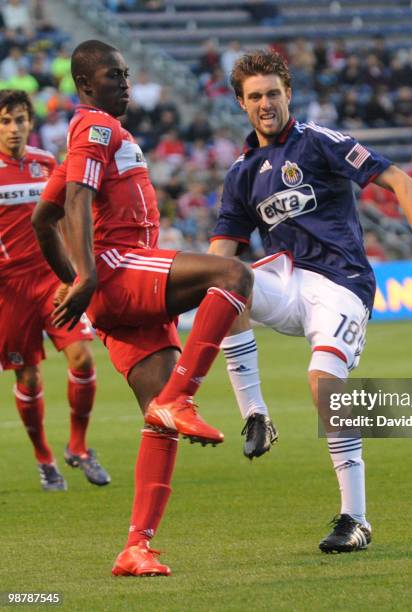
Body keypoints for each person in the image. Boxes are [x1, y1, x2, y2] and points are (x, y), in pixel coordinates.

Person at [208, 50, 412, 554]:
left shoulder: (320, 142)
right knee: (224, 280)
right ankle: (255, 414)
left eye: (273, 93)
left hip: (341, 283)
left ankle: (355, 519)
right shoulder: (241, 173)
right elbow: (219, 256)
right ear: (240, 103)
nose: (265, 103)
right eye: (255, 96)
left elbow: (401, 182)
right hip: (287, 280)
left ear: (289, 94)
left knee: (325, 385)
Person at [32, 40, 253, 577]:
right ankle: (183, 397)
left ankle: (137, 548)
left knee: (160, 423)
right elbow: (80, 202)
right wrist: (86, 277)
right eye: (114, 75)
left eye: (127, 73)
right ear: (86, 84)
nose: (126, 82)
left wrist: (73, 282)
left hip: (115, 283)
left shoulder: (91, 137)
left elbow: (44, 216)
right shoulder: (96, 126)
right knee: (234, 274)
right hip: (121, 266)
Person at [0, 89, 109, 491]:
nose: (14, 129)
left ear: (31, 122)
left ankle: (78, 447)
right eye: (6, 121)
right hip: (9, 290)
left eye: (20, 120)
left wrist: (76, 271)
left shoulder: (47, 164)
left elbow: (63, 221)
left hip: (52, 279)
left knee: (82, 359)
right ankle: (45, 459)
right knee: (28, 380)